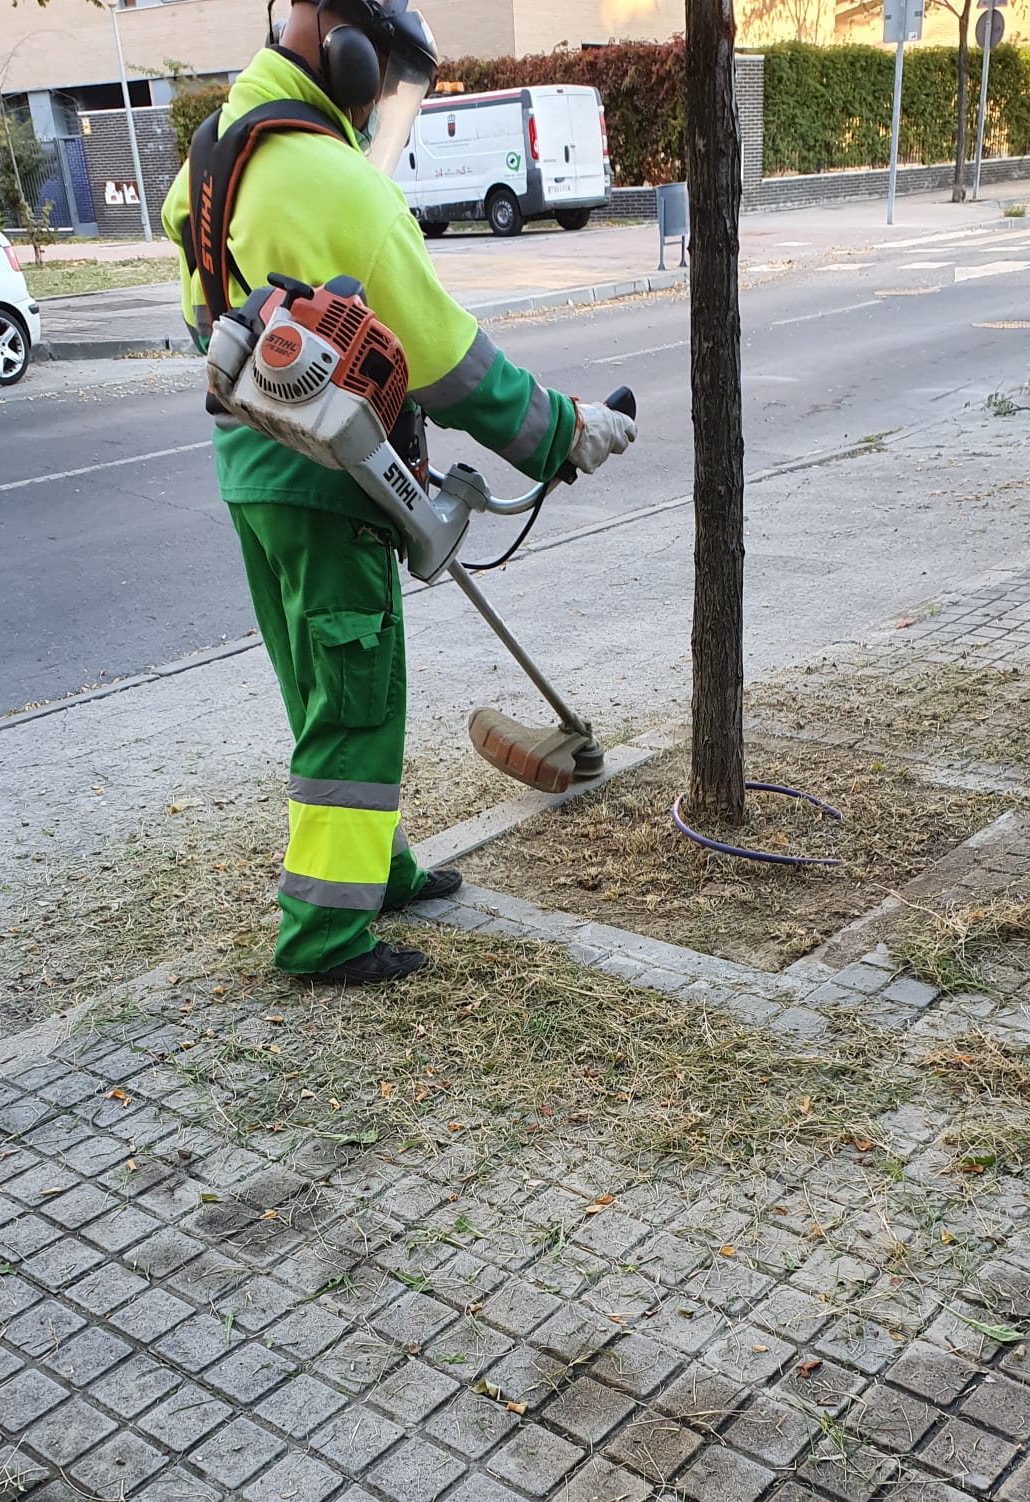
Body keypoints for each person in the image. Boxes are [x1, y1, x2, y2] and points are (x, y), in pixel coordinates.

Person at [162, 0, 633, 985]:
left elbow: (205, 307)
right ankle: (323, 932)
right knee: (357, 693)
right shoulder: (330, 177)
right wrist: (559, 433)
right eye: (385, 71)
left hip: (255, 470)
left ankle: (377, 863)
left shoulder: (215, 153)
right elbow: (445, 360)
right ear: (335, 37)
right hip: (327, 478)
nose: (383, 95)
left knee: (321, 690)